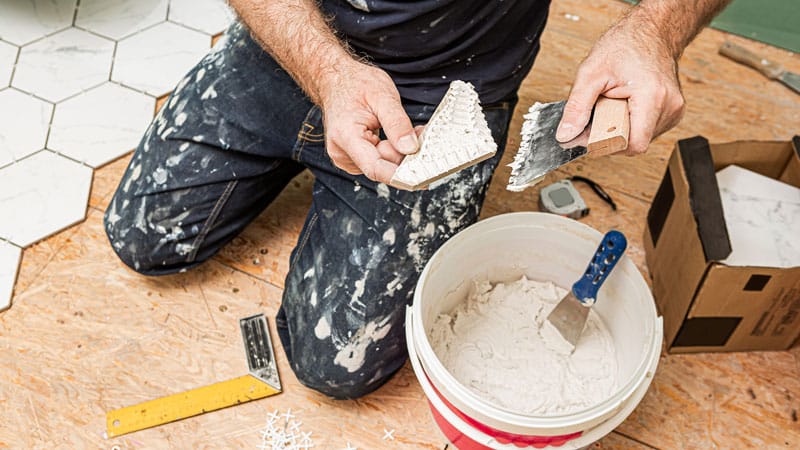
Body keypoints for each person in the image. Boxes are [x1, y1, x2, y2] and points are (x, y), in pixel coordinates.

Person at [104, 0, 730, 399]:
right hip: (292, 37)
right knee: (142, 237)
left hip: (447, 93)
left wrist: (655, 28)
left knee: (333, 364)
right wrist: (327, 71)